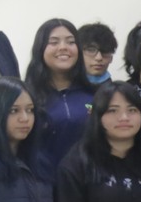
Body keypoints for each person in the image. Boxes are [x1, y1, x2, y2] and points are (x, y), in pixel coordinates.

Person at [23, 17, 96, 182]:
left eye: (71, 42)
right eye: (54, 42)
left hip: (88, 185)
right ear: (40, 49)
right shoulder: (27, 97)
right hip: (41, 185)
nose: (63, 47)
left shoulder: (94, 95)